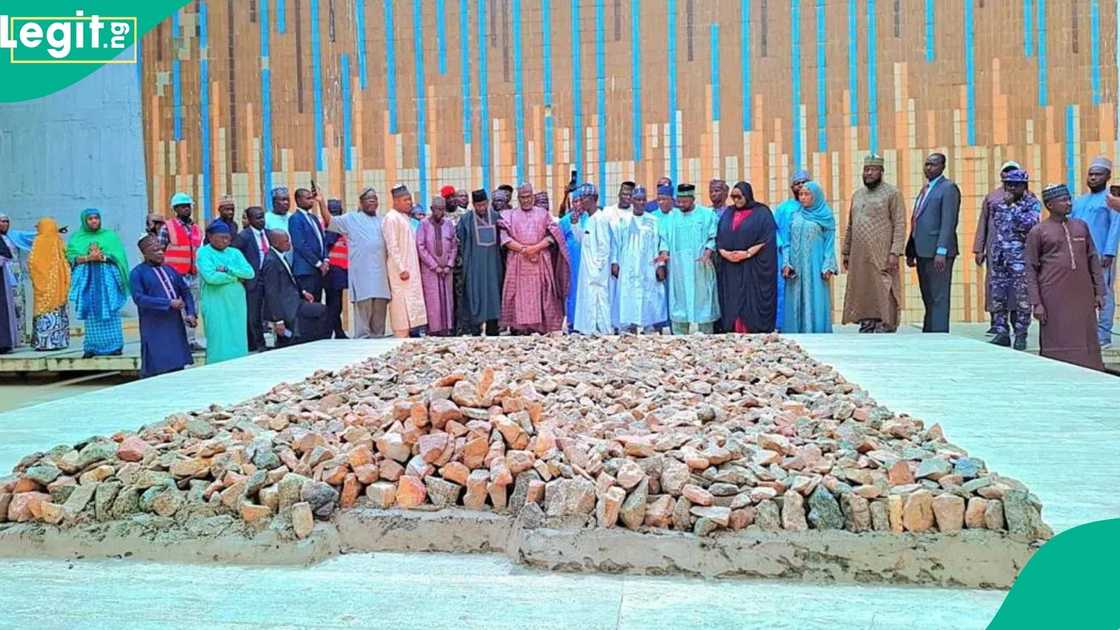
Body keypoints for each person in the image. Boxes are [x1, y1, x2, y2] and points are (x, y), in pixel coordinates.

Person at [1026, 184, 1106, 370]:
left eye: (1069, 199)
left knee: (1085, 334)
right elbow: (1030, 269)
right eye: (1063, 200)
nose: (1068, 203)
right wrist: (1036, 303)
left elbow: (1093, 259)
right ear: (1050, 205)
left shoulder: (1081, 226)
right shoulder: (1038, 231)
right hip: (1052, 296)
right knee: (1057, 335)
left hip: (1083, 294)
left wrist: (1099, 292)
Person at [841, 154, 907, 333]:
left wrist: (895, 252)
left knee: (884, 286)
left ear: (881, 172)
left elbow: (900, 223)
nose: (868, 173)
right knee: (862, 286)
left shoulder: (892, 193)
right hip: (859, 254)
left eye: (872, 170)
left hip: (882, 251)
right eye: (865, 170)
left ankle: (885, 322)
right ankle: (867, 321)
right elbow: (851, 224)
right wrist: (846, 252)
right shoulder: (858, 195)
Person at [319, 187, 393, 338]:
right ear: (360, 202)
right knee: (363, 326)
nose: (372, 201)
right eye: (368, 198)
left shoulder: (383, 221)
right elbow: (329, 221)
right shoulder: (351, 219)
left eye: (375, 198)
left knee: (378, 325)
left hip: (381, 279)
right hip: (362, 278)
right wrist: (321, 203)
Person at [499, 182, 571, 334]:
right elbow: (504, 238)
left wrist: (535, 248)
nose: (526, 200)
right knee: (517, 295)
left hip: (539, 261)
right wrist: (524, 249)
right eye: (522, 197)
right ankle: (519, 329)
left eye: (528, 197)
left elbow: (553, 237)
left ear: (533, 196)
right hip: (518, 261)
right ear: (518, 198)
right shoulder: (509, 215)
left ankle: (540, 328)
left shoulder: (543, 214)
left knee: (542, 294)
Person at [984, 169, 1040, 350]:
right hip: (1000, 257)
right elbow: (996, 228)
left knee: (1022, 298)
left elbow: (1030, 225)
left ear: (1024, 186)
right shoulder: (997, 204)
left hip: (1020, 258)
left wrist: (1013, 207)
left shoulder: (1032, 203)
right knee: (998, 296)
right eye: (1007, 184)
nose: (1010, 188)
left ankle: (1021, 335)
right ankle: (1002, 332)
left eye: (1014, 185)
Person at [906, 152, 961, 333]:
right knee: (928, 296)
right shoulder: (925, 189)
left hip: (938, 253)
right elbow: (916, 220)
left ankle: (939, 335)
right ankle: (929, 333)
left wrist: (942, 250)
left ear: (943, 167)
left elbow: (948, 222)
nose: (928, 168)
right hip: (922, 251)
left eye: (933, 164)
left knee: (939, 296)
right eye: (926, 164)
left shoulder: (948, 188)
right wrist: (911, 249)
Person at [1071, 156, 1120, 349]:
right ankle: (1086, 334)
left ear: (1107, 176)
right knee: (1082, 294)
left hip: (1101, 255)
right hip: (1080, 255)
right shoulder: (1080, 201)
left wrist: (1109, 252)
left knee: (1104, 293)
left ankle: (1103, 336)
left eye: (1097, 175)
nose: (1092, 178)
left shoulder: (1111, 200)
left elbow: (1116, 226)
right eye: (1090, 174)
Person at [657, 183, 720, 334]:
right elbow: (664, 239)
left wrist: (707, 253)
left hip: (700, 266)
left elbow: (713, 237)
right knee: (680, 302)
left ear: (692, 199)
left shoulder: (706, 215)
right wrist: (664, 253)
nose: (681, 204)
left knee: (703, 301)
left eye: (684, 201)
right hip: (678, 267)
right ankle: (680, 336)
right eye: (678, 201)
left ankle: (707, 336)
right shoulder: (671, 217)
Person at [716, 181, 778, 333]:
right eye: (733, 197)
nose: (736, 200)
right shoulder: (728, 213)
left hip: (753, 267)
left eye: (738, 197)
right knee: (733, 300)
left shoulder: (762, 212)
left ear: (747, 195)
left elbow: (767, 239)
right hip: (731, 266)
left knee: (751, 301)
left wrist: (748, 253)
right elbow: (719, 238)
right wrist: (726, 254)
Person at [130, 235, 196, 378]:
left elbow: (185, 291)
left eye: (161, 249)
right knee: (157, 363)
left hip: (174, 322)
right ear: (145, 253)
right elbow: (139, 298)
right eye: (155, 250)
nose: (160, 253)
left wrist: (190, 313)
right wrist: (168, 303)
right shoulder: (137, 273)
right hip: (153, 324)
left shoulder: (170, 270)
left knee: (177, 363)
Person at [67, 208, 129, 358]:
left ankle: (115, 346)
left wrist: (103, 257)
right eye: (90, 219)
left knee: (111, 311)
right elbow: (71, 258)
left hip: (107, 281)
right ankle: (92, 347)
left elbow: (119, 256)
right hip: (89, 282)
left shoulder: (109, 236)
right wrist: (88, 258)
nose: (94, 221)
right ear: (84, 221)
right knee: (91, 312)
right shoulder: (77, 238)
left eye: (96, 218)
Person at [780, 181, 838, 333]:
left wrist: (828, 265)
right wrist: (786, 262)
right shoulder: (794, 215)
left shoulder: (826, 216)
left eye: (807, 194)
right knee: (795, 299)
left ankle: (817, 331)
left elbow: (829, 243)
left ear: (816, 196)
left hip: (815, 266)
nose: (803, 198)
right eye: (801, 194)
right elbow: (786, 241)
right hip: (796, 267)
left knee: (815, 297)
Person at [973, 160, 1024, 335]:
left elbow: (1034, 225)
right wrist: (979, 249)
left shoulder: (1028, 198)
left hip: (1019, 253)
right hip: (995, 251)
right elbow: (983, 223)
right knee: (995, 286)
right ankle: (997, 323)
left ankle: (1017, 324)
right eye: (1006, 172)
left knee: (1018, 288)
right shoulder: (992, 197)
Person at [196, 222, 255, 364]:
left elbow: (249, 273)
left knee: (237, 334)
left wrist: (228, 269)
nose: (225, 241)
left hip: (236, 302)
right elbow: (210, 277)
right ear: (210, 237)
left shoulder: (235, 253)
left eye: (228, 238)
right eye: (221, 237)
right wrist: (235, 278)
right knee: (218, 335)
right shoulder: (204, 253)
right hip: (215, 301)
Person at [614, 185, 668, 332]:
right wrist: (615, 262)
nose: (641, 202)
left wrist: (661, 264)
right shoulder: (623, 220)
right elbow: (616, 244)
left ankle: (649, 328)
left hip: (649, 266)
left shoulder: (653, 220)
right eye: (637, 199)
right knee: (629, 296)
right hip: (628, 265)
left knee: (649, 296)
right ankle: (629, 328)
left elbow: (662, 243)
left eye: (643, 199)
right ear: (631, 200)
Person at [260, 230, 322, 347]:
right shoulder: (271, 262)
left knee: (318, 313)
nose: (289, 244)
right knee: (321, 312)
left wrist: (303, 291)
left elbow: (290, 278)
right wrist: (278, 320)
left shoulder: (280, 256)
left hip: (295, 299)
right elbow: (271, 292)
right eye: (286, 241)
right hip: (286, 305)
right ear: (276, 243)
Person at [456, 189, 505, 336]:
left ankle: (492, 330)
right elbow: (459, 241)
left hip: (493, 267)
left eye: (483, 205)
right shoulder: (466, 220)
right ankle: (475, 332)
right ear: (473, 205)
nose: (481, 208)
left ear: (488, 203)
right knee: (474, 297)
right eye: (478, 206)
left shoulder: (497, 218)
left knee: (493, 298)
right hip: (474, 268)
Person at [160, 192, 205, 350]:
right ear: (175, 209)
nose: (186, 209)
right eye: (182, 207)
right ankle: (179, 342)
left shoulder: (196, 229)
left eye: (188, 206)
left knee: (192, 307)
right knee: (177, 309)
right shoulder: (168, 227)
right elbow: (160, 250)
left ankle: (191, 340)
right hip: (175, 276)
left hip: (193, 275)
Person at [384, 185, 428, 337]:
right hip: (400, 271)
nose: (409, 203)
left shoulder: (404, 218)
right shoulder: (391, 218)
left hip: (410, 268)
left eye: (410, 199)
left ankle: (407, 335)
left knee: (410, 303)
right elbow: (392, 246)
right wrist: (401, 268)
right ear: (396, 201)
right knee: (401, 304)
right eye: (405, 200)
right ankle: (400, 335)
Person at [573, 184, 614, 334]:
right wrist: (575, 223)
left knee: (599, 300)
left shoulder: (600, 218)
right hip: (587, 270)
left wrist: (597, 269)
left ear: (593, 199)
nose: (581, 202)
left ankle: (605, 331)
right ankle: (590, 330)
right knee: (589, 299)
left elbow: (604, 247)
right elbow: (581, 240)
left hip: (596, 271)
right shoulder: (588, 219)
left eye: (584, 198)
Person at [773, 171, 811, 332]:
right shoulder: (784, 208)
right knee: (784, 291)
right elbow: (774, 230)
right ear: (792, 187)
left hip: (808, 256)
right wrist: (784, 252)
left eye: (804, 182)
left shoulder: (814, 207)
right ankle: (783, 326)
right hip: (785, 256)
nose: (801, 185)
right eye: (797, 183)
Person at [26, 218, 71, 351]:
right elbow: (65, 258)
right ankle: (59, 342)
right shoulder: (58, 240)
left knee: (45, 314)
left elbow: (32, 263)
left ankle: (43, 343)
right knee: (57, 313)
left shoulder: (39, 241)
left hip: (44, 285)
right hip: (57, 284)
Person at [416, 196, 458, 336]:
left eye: (442, 209)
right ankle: (434, 330)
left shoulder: (448, 224)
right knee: (433, 299)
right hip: (430, 270)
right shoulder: (423, 224)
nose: (439, 212)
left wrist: (449, 264)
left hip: (446, 269)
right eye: (437, 209)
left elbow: (453, 245)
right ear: (431, 209)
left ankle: (447, 328)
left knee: (447, 298)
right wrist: (434, 266)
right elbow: (421, 247)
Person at [232, 206, 272, 351]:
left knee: (272, 310)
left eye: (263, 217)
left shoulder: (269, 234)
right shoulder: (244, 236)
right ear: (249, 220)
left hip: (269, 278)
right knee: (254, 314)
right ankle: (258, 344)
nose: (261, 220)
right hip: (253, 279)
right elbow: (234, 256)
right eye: (258, 217)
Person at [601, 182, 635, 330]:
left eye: (629, 195)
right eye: (624, 194)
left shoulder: (636, 213)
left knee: (629, 294)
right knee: (612, 294)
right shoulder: (608, 212)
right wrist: (613, 260)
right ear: (619, 194)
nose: (626, 197)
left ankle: (629, 326)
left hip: (631, 262)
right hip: (611, 261)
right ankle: (613, 326)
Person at [287, 188, 329, 302]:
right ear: (299, 200)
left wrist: (325, 260)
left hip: (318, 271)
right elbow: (300, 245)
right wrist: (318, 263)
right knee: (307, 306)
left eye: (312, 198)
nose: (312, 201)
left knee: (317, 304)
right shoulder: (295, 219)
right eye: (308, 198)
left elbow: (322, 240)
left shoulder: (313, 218)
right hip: (305, 271)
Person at [558, 186, 588, 328]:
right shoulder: (564, 221)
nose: (578, 204)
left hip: (588, 262)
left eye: (581, 201)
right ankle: (572, 323)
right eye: (575, 201)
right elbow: (560, 242)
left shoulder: (591, 218)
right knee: (573, 291)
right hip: (572, 263)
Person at [323, 199, 350, 339]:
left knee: (335, 302)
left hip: (340, 268)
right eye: (333, 210)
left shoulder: (339, 224)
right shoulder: (330, 226)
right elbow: (328, 243)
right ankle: (330, 331)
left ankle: (337, 331)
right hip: (333, 268)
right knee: (334, 304)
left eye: (337, 210)